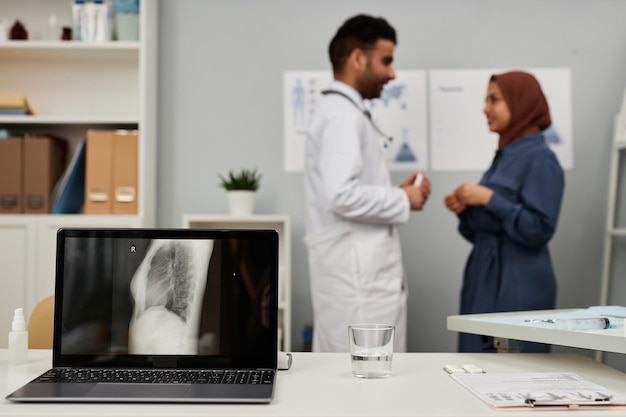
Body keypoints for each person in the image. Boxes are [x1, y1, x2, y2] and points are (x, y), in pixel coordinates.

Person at [304, 14, 431, 352]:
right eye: (386, 61)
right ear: (358, 58)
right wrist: (403, 199)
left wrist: (397, 194)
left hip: (355, 276)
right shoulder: (342, 115)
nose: (392, 73)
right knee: (362, 389)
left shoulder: (344, 111)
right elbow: (341, 195)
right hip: (356, 282)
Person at [444, 71, 565, 353]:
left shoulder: (540, 158)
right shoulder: (504, 156)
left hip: (516, 280)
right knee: (476, 367)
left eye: (494, 100)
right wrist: (465, 211)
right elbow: (484, 232)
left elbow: (539, 229)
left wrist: (488, 198)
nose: (486, 108)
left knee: (511, 374)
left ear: (520, 102)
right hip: (484, 275)